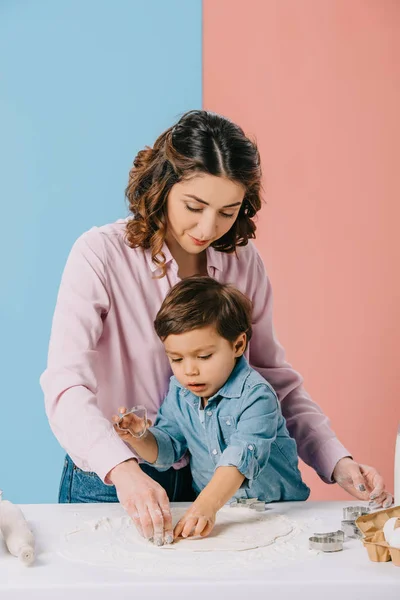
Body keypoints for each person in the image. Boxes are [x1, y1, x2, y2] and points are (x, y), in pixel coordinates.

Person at [40, 109, 392, 544]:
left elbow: (273, 382)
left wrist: (336, 460)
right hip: (109, 476)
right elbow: (65, 385)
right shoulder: (100, 255)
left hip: (207, 479)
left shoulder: (243, 265)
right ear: (163, 186)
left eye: (228, 211)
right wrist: (123, 470)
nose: (208, 228)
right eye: (194, 206)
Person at [112, 277, 310, 545]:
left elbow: (241, 457)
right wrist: (139, 437)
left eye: (204, 357)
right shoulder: (180, 392)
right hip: (221, 514)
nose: (190, 370)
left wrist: (205, 505)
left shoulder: (257, 396)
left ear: (238, 345)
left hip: (277, 510)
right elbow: (170, 447)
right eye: (177, 359)